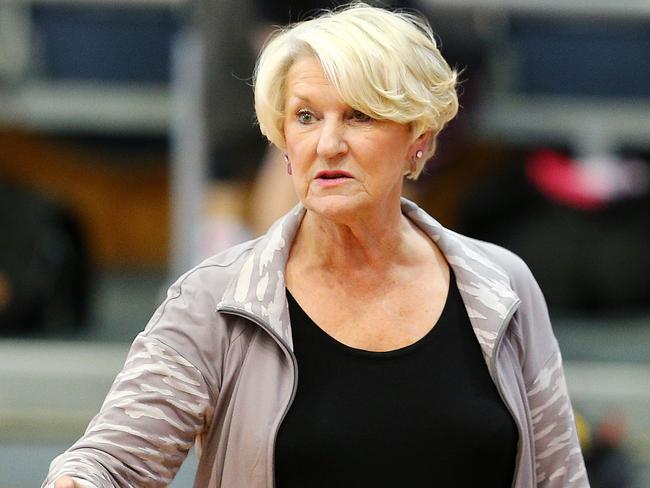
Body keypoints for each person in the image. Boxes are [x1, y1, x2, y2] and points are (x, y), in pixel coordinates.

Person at [45, 4, 589, 487]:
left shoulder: (502, 285)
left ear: (418, 142)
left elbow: (558, 476)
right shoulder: (216, 298)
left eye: (359, 115)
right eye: (306, 117)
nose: (328, 144)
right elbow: (114, 461)